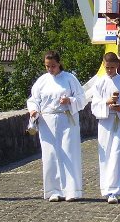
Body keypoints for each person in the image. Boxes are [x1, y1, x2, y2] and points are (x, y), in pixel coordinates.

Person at [27, 51, 87, 202]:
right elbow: (34, 99)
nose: (50, 69)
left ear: (59, 64)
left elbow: (82, 98)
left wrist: (70, 100)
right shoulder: (42, 81)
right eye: (47, 66)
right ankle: (54, 190)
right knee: (50, 155)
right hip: (47, 120)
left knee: (68, 152)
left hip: (65, 119)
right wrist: (33, 110)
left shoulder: (69, 78)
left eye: (53, 66)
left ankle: (71, 190)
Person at [91, 52, 120, 204]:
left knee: (117, 154)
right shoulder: (99, 83)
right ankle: (106, 188)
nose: (109, 70)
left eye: (112, 67)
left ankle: (115, 190)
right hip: (105, 122)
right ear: (104, 65)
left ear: (117, 66)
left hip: (119, 121)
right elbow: (94, 105)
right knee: (105, 155)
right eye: (107, 67)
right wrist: (107, 102)